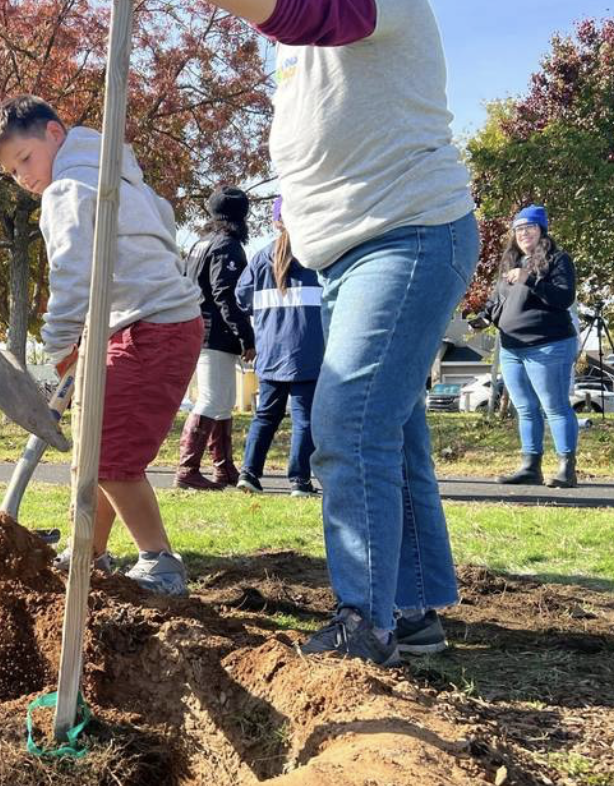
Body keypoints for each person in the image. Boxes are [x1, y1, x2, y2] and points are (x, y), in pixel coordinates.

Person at [200, 0, 479, 665]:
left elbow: (314, 14)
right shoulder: (293, 51)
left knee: (349, 419)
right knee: (392, 427)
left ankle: (365, 625)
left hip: (407, 234)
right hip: (349, 255)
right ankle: (409, 613)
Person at [0, 95, 203, 596]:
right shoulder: (119, 177)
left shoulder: (69, 191)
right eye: (11, 172)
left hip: (150, 326)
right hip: (159, 322)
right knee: (95, 447)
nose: (23, 177)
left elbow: (71, 277)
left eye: (25, 159)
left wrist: (61, 344)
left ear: (55, 135)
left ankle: (159, 561)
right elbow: (164, 227)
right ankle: (89, 550)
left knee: (107, 456)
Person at [484, 205, 579, 489]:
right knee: (525, 408)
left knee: (555, 406)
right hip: (512, 347)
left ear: (542, 231)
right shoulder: (510, 262)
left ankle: (566, 469)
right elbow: (497, 302)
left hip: (548, 344)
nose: (524, 234)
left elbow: (563, 298)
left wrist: (531, 279)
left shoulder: (558, 260)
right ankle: (530, 467)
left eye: (530, 228)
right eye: (519, 229)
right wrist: (484, 317)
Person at [234, 197, 324, 497]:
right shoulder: (316, 257)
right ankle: (299, 480)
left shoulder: (262, 258)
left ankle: (249, 473)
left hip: (271, 351)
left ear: (275, 222)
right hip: (309, 352)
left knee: (265, 417)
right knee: (305, 420)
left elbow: (242, 297)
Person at [177, 186, 255, 490]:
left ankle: (224, 468)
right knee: (212, 398)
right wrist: (245, 336)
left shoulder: (200, 243)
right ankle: (187, 468)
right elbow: (226, 295)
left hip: (198, 327)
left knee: (222, 399)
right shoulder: (228, 247)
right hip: (216, 333)